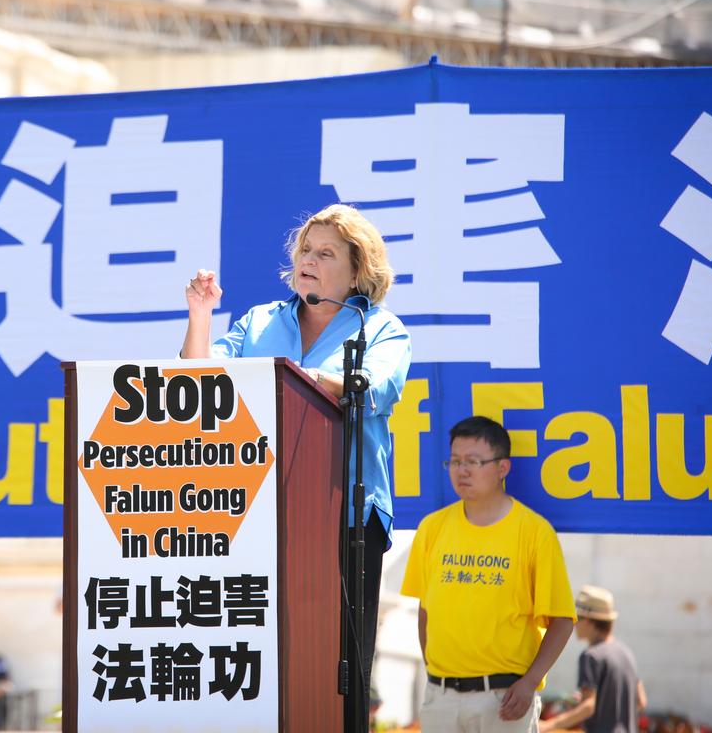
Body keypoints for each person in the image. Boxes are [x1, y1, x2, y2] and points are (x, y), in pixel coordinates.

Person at [182, 202, 412, 687]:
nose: (309, 258)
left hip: (345, 515)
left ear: (357, 272)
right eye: (306, 249)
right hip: (257, 510)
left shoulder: (382, 328)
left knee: (336, 669)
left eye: (326, 253)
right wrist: (200, 316)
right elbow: (201, 378)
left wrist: (305, 381)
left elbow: (375, 385)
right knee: (261, 660)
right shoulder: (260, 321)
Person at [400, 416, 576, 732]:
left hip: (504, 699)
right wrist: (433, 674)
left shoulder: (535, 532)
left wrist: (531, 682)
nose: (461, 470)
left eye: (473, 461)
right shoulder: (432, 528)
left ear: (502, 468)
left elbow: (563, 620)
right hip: (440, 698)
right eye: (454, 461)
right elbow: (426, 611)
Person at [541, 585, 647, 733]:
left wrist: (549, 725)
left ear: (588, 621)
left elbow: (589, 706)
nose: (574, 624)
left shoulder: (591, 656)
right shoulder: (626, 653)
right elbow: (641, 701)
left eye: (577, 618)